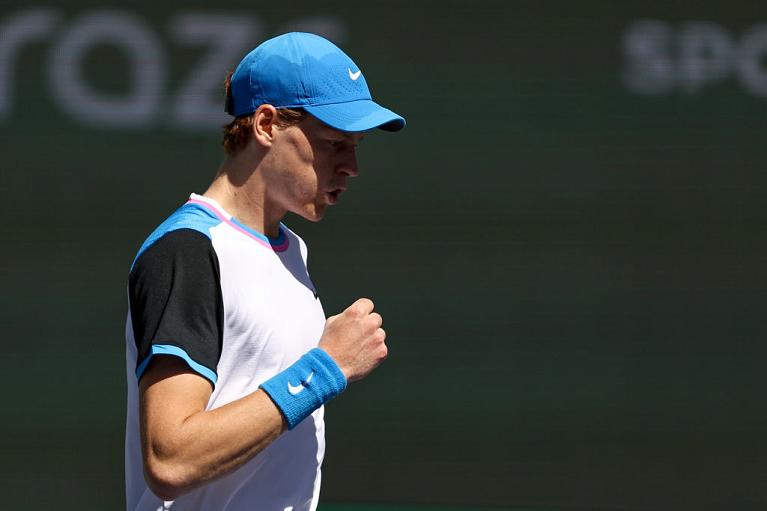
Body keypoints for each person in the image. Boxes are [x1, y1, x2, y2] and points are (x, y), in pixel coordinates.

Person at [124, 32, 405, 511]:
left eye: (355, 146)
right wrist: (325, 369)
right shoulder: (189, 250)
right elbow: (170, 459)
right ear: (267, 124)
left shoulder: (291, 250)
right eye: (335, 143)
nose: (352, 166)